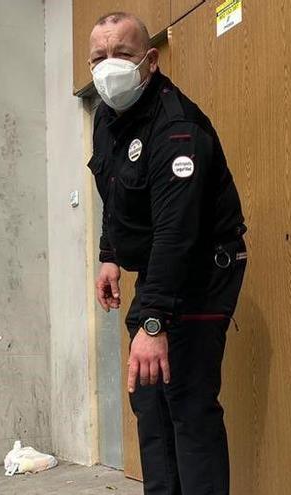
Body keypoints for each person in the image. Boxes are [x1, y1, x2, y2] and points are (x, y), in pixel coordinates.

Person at [87, 12, 247, 494]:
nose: (109, 66)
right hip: (161, 266)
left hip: (202, 268)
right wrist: (109, 253)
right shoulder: (106, 118)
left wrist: (152, 320)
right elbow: (114, 192)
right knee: (149, 399)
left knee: (188, 401)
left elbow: (179, 232)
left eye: (123, 54)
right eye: (98, 57)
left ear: (150, 60)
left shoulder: (178, 128)